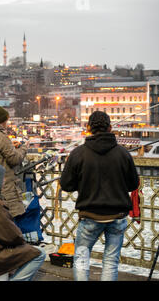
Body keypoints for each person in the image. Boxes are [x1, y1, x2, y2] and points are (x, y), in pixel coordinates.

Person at [60, 111, 140, 281]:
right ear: (110, 128)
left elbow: (66, 185)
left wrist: (81, 183)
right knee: (111, 261)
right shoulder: (123, 154)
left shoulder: (78, 153)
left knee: (81, 258)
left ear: (88, 128)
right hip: (117, 216)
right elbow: (133, 184)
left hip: (90, 215)